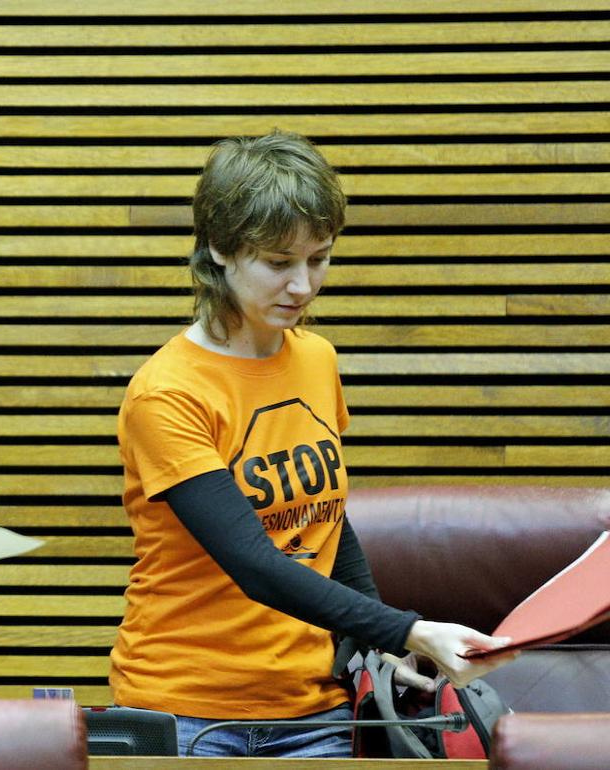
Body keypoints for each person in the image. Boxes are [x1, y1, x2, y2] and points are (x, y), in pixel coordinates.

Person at [109, 130, 517, 759]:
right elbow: (253, 564)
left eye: (318, 258)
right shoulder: (166, 394)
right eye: (279, 262)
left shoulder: (317, 360)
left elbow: (327, 520)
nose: (303, 285)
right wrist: (408, 630)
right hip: (186, 712)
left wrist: (377, 643)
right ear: (219, 249)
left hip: (311, 706)